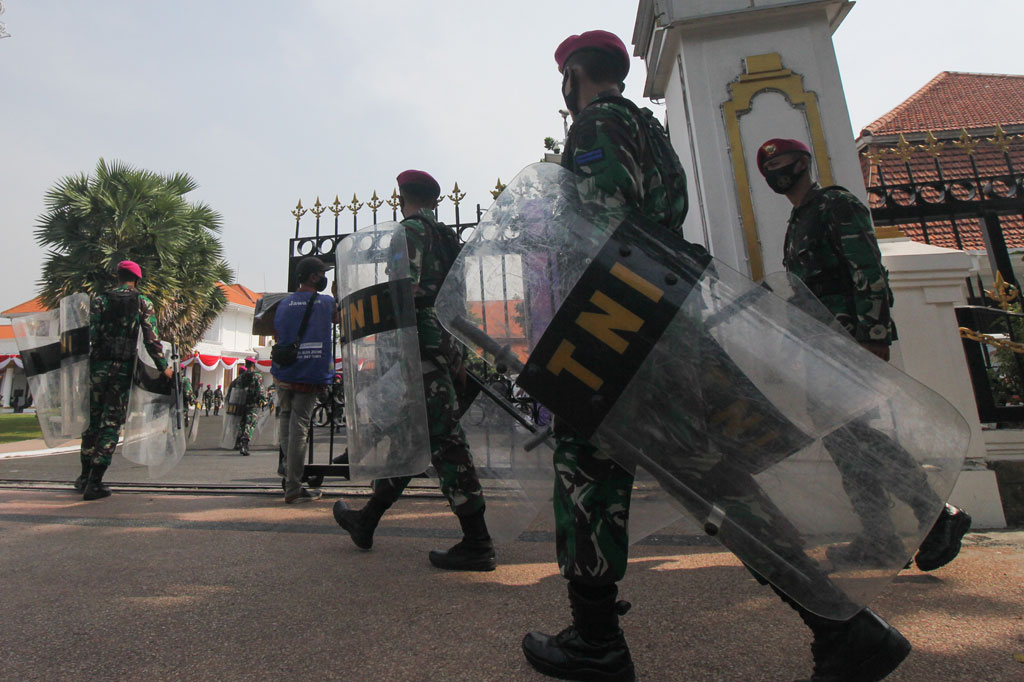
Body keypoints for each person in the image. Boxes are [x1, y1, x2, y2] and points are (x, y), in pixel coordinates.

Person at [521, 32, 911, 682]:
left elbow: (597, 223)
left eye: (566, 78)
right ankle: (843, 627)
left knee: (586, 469)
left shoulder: (598, 123)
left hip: (616, 327)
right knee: (718, 480)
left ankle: (597, 641)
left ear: (575, 76)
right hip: (668, 321)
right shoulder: (653, 134)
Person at [758, 137, 972, 574]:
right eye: (768, 167)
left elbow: (867, 269)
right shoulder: (798, 221)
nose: (775, 170)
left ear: (803, 163)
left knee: (857, 436)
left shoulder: (835, 205)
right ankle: (879, 536)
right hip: (819, 347)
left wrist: (874, 335)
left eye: (781, 161)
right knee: (844, 442)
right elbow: (806, 293)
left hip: (849, 341)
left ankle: (937, 514)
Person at [333, 169, 496, 572]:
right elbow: (456, 298)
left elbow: (403, 289)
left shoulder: (407, 233)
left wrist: (394, 348)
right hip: (441, 347)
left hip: (419, 350)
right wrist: (455, 353)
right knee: (411, 441)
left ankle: (478, 541)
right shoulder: (447, 239)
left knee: (445, 442)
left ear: (400, 195)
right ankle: (366, 520)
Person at [75, 260, 174, 500]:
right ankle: (95, 483)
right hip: (121, 369)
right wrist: (164, 367)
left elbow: (92, 334)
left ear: (117, 276)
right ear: (137, 279)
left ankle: (84, 475)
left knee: (93, 420)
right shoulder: (142, 302)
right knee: (110, 423)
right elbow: (151, 340)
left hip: (97, 367)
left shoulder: (100, 300)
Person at [272, 256, 336, 503]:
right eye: (321, 273)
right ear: (313, 277)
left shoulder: (284, 303)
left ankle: (289, 473)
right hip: (309, 373)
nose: (323, 277)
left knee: (286, 423)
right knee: (299, 429)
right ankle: (293, 487)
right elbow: (340, 319)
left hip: (283, 372)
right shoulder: (325, 303)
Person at [225, 358, 266, 456]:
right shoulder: (257, 376)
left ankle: (238, 441)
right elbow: (260, 391)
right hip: (252, 404)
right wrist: (264, 400)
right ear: (253, 365)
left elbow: (237, 390)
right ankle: (244, 444)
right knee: (250, 423)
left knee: (242, 423)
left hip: (241, 404)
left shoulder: (240, 377)